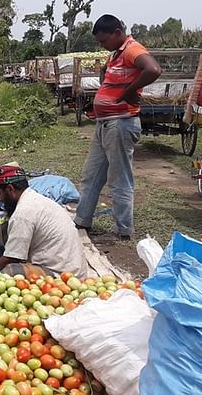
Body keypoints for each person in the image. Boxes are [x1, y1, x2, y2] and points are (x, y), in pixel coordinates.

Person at [74, 15, 162, 241]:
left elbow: (153, 69)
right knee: (91, 175)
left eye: (104, 41)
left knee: (119, 179)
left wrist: (128, 92)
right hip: (105, 123)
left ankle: (123, 230)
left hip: (121, 123)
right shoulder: (117, 53)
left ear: (116, 33)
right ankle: (82, 221)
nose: (102, 46)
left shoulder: (132, 49)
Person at [0, 164, 90, 278]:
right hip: (69, 264)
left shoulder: (23, 214)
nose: (0, 199)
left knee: (7, 273)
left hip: (63, 274)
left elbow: (11, 258)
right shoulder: (34, 198)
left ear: (10, 189)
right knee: (3, 231)